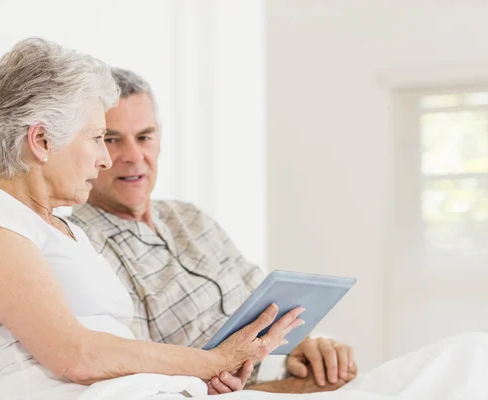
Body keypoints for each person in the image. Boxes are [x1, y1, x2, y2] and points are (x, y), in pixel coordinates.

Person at [0, 37, 305, 400]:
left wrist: (198, 380)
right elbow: (75, 355)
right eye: (99, 139)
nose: (105, 159)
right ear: (41, 141)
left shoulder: (65, 230)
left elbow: (117, 351)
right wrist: (212, 361)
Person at [68, 68, 357, 394]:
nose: (134, 157)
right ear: (89, 148)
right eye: (111, 139)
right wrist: (283, 387)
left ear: (160, 143)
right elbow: (137, 375)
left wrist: (306, 352)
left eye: (145, 137)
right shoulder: (80, 245)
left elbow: (265, 304)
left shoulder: (189, 216)